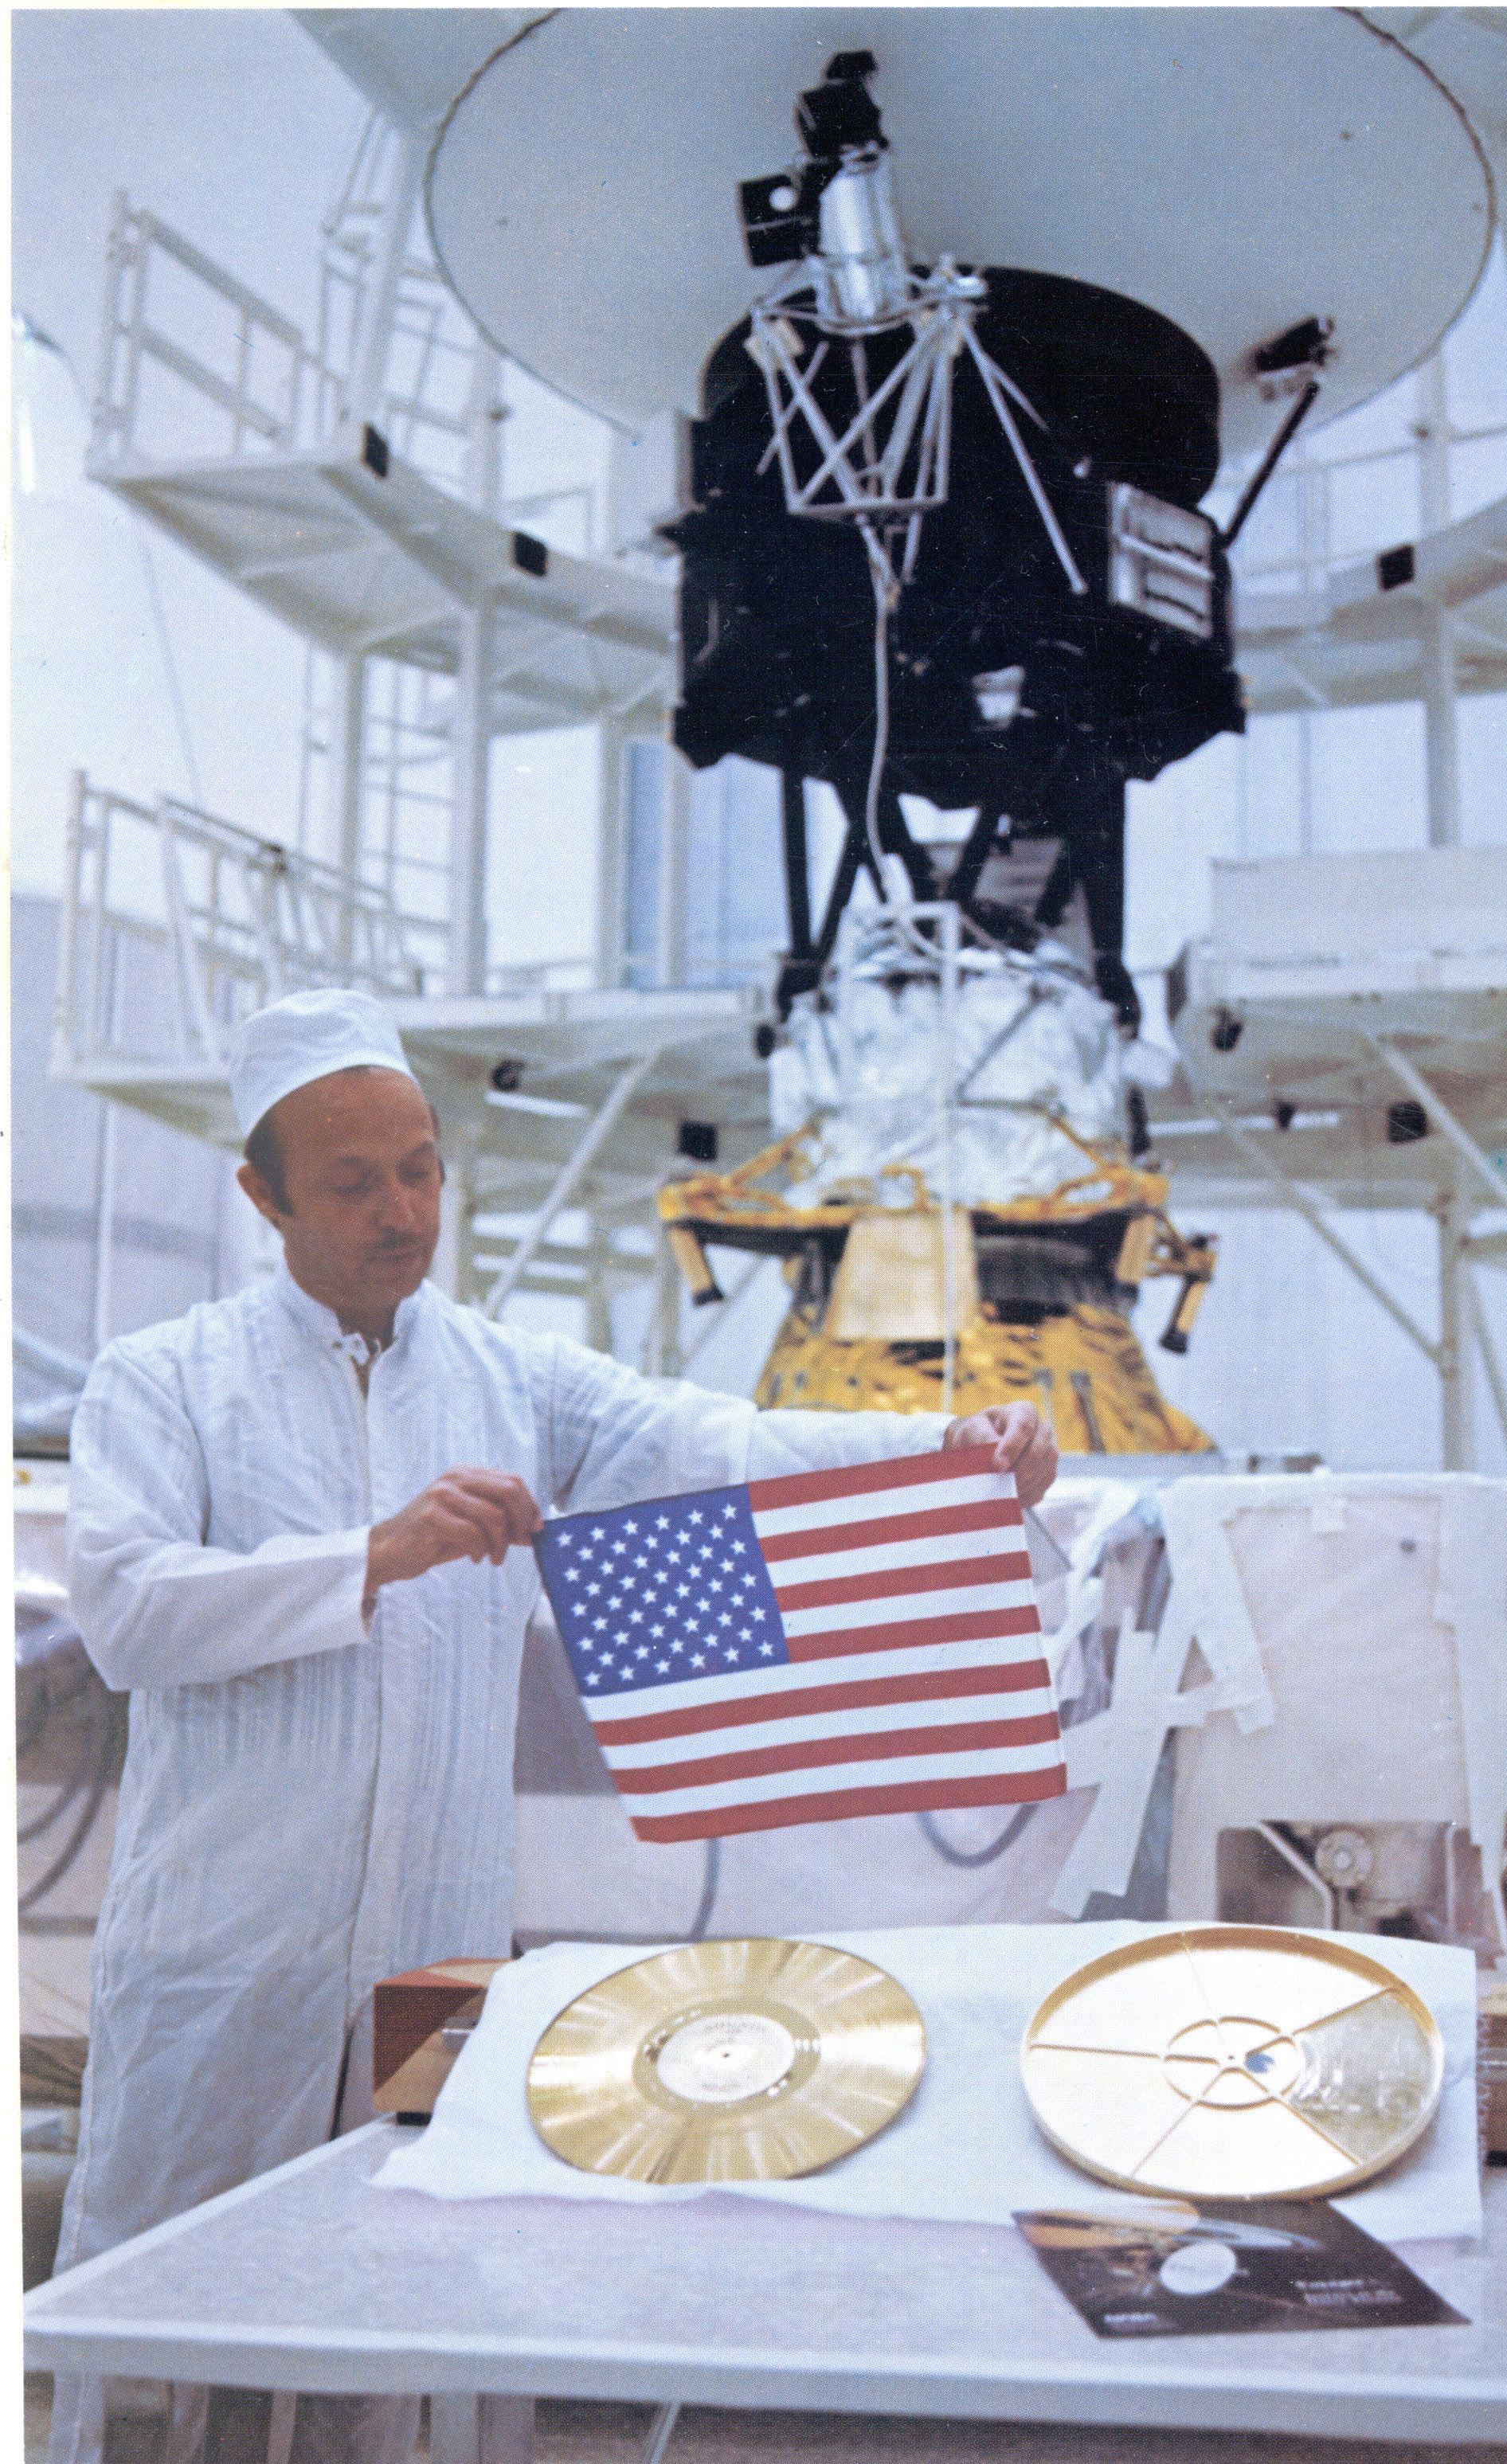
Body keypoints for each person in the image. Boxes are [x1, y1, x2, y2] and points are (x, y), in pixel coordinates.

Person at [53, 988, 1055, 2464]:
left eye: (422, 1167)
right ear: (260, 1195)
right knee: (163, 2348)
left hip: (433, 1960)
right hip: (223, 1968)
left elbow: (710, 1441)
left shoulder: (503, 1377)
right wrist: (369, 1559)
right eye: (351, 1182)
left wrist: (942, 1449)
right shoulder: (163, 1381)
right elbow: (130, 1612)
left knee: (398, 2335)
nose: (403, 1211)